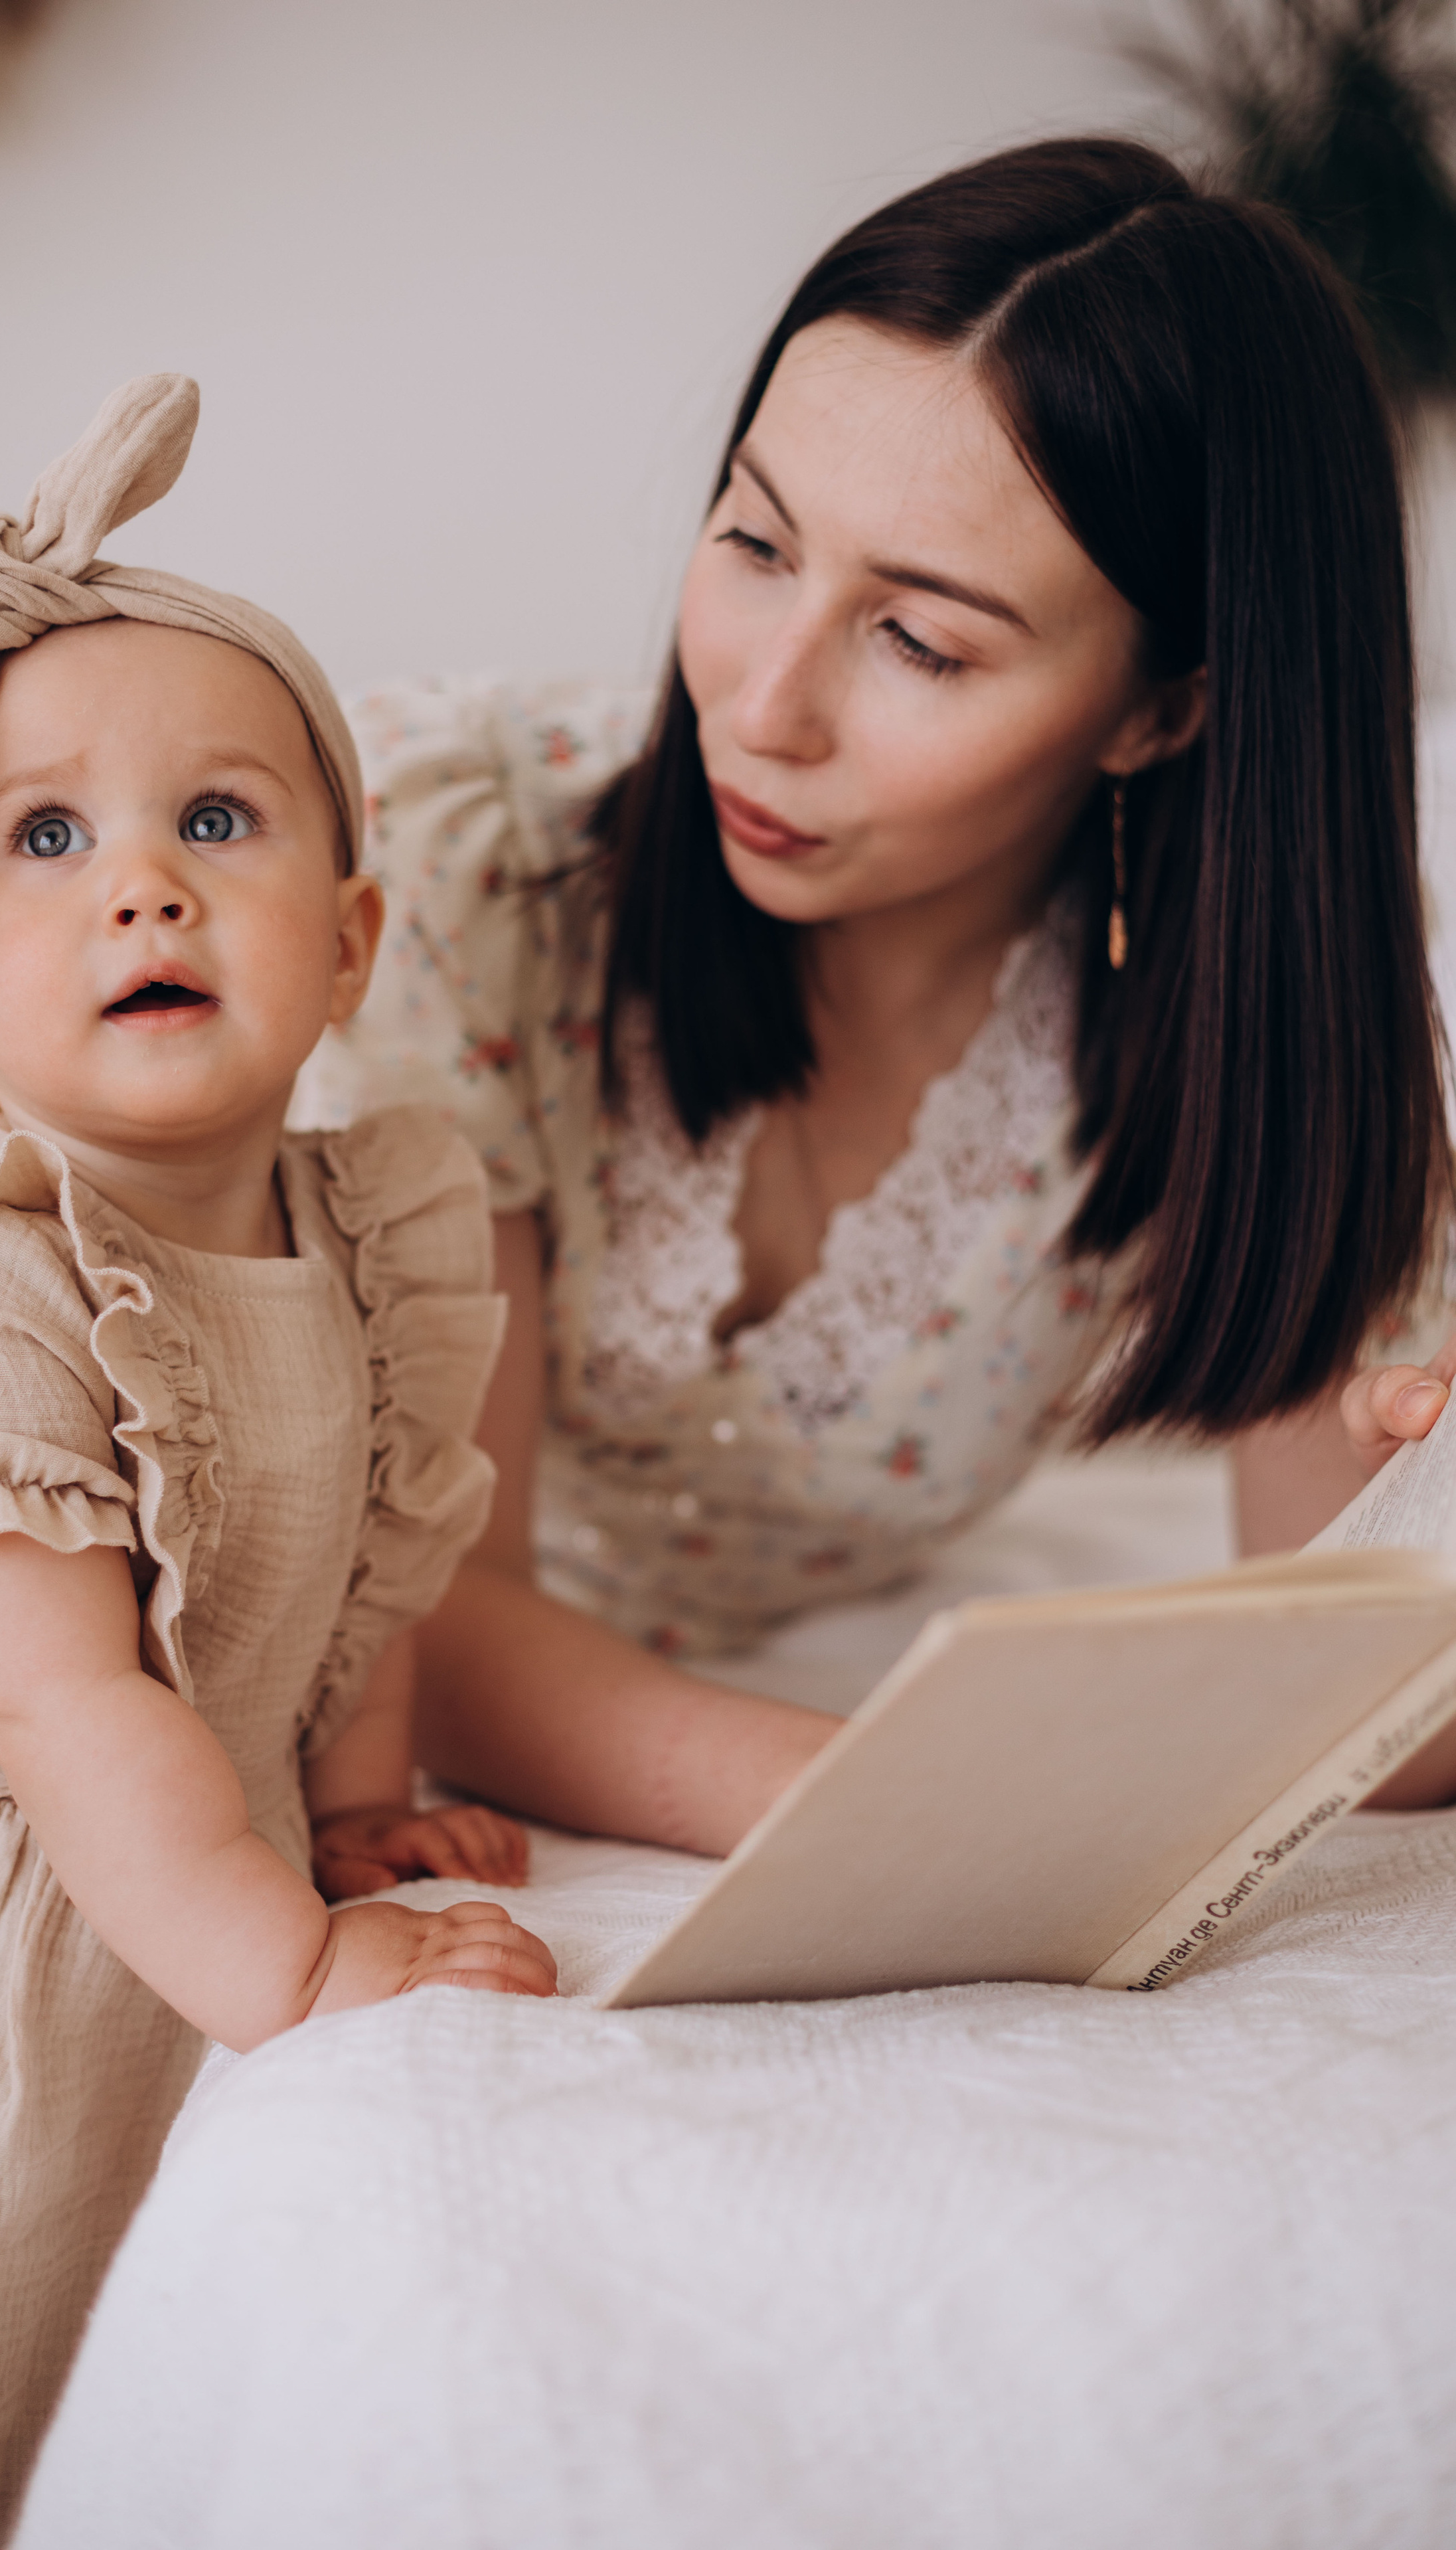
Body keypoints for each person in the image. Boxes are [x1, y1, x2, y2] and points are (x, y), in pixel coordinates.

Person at [295, 134, 1456, 1845]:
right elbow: (427, 1622)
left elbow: (1346, 1682)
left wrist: (1413, 1539)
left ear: (1163, 711)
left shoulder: (1244, 994)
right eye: (757, 542)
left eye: (922, 643)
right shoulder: (469, 877)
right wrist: (926, 1814)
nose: (761, 707)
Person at [0, 375, 554, 2550]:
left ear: (353, 940)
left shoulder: (368, 1230)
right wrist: (293, 1972)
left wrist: (364, 1797)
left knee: (85, 2348)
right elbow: (64, 1704)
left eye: (218, 824)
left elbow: (362, 1556)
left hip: (154, 1872)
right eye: (49, 841)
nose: (143, 894)